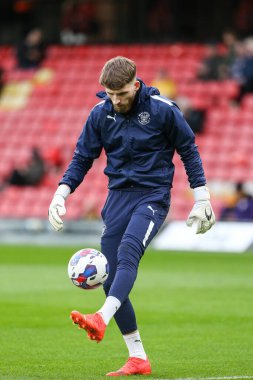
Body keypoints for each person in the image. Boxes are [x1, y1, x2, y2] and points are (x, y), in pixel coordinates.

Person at [48, 57, 215, 377]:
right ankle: (137, 357)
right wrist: (61, 193)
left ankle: (100, 317)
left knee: (127, 253)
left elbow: (188, 148)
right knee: (109, 276)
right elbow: (83, 157)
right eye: (110, 94)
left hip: (152, 196)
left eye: (122, 93)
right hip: (117, 199)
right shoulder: (100, 114)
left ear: (136, 85)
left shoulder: (163, 109)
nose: (116, 100)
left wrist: (202, 196)